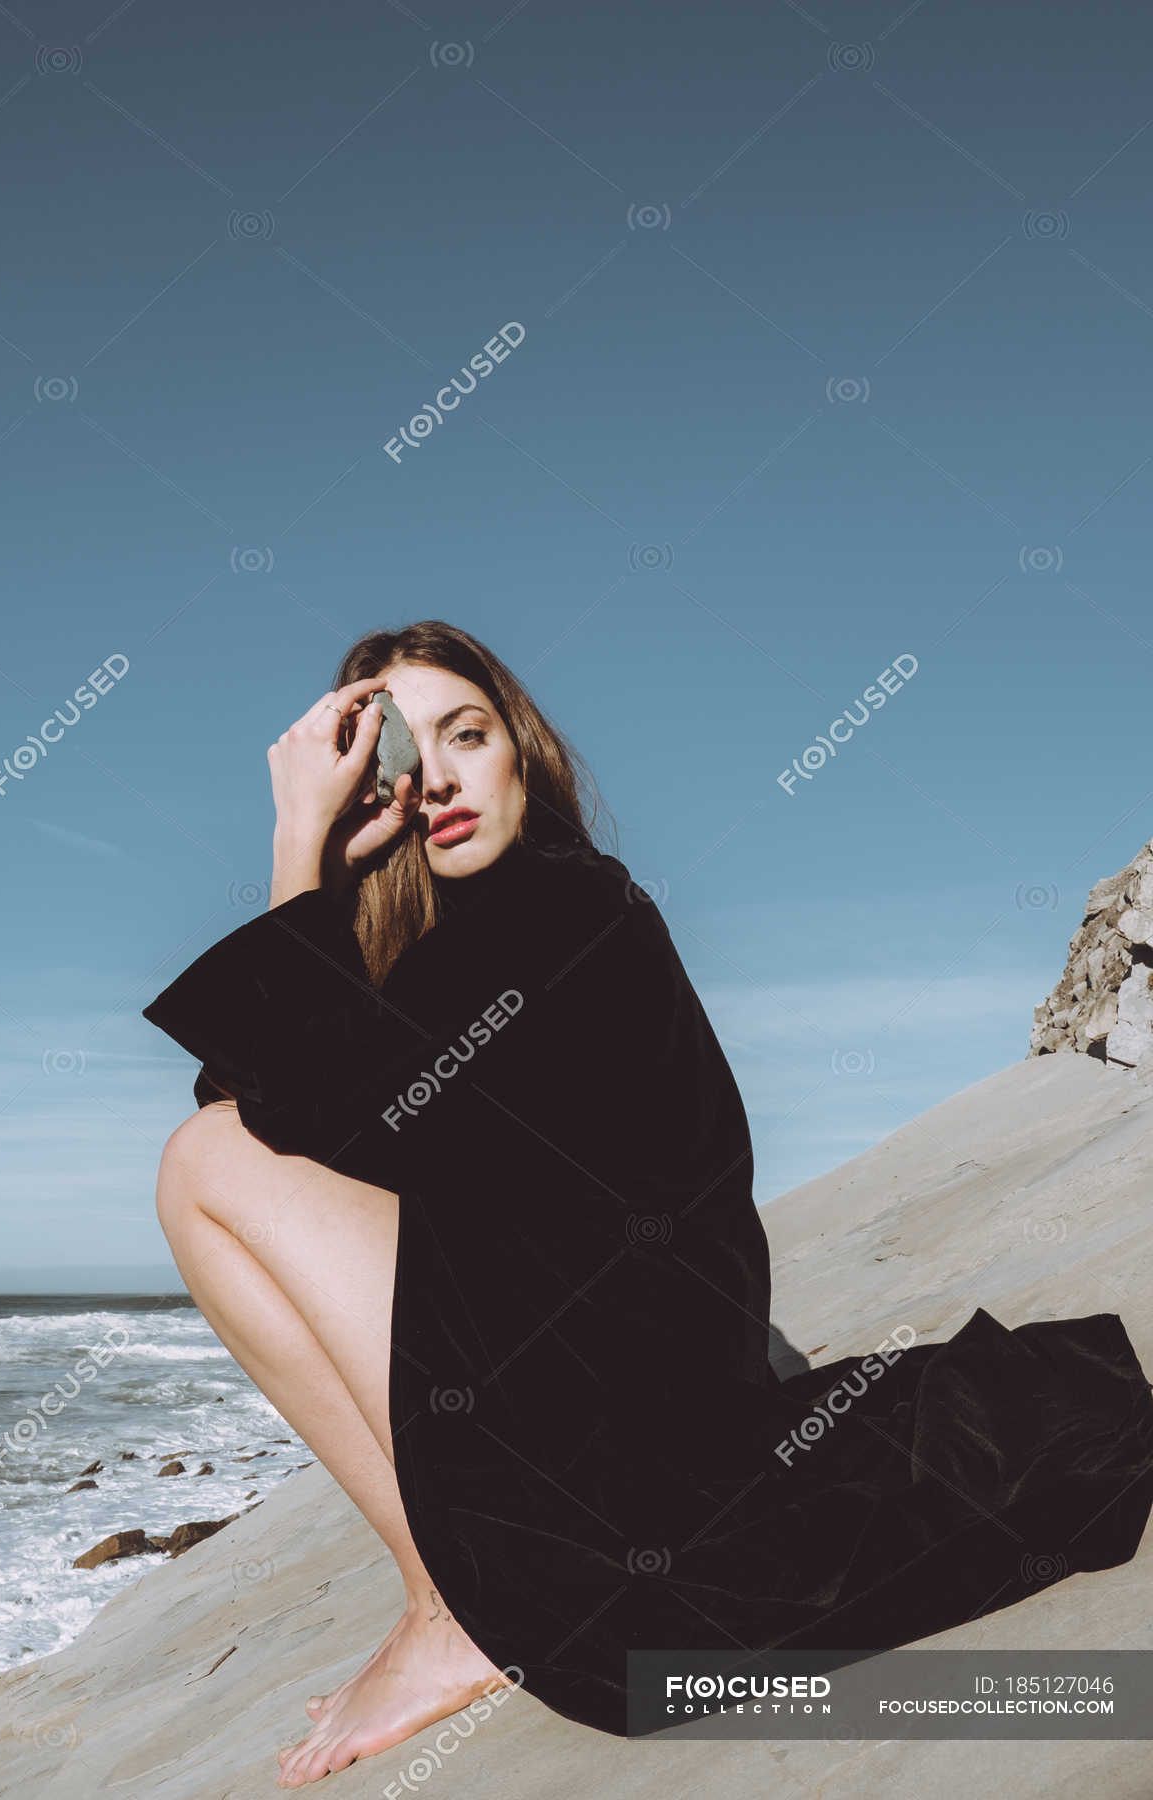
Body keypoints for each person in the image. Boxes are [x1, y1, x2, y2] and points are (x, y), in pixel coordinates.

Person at [143, 619, 1153, 1788]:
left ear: (523, 745)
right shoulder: (455, 944)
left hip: (618, 1454)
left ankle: (447, 1613)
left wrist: (296, 841)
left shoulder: (571, 913)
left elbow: (290, 1121)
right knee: (210, 1153)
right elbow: (272, 1097)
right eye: (409, 761)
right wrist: (329, 869)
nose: (446, 780)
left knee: (202, 1165)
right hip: (585, 1400)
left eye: (468, 735)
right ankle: (445, 1604)